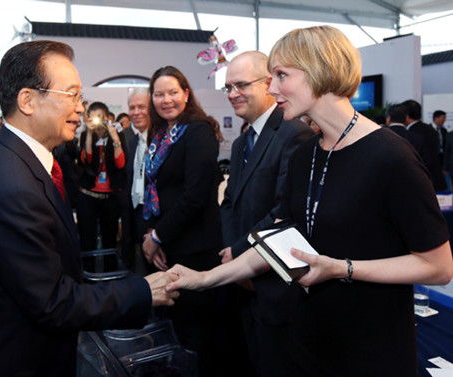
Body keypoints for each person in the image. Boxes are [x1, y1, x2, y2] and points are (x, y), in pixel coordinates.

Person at [166, 25, 453, 377]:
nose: (271, 88)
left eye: (281, 75)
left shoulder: (392, 156)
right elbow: (276, 238)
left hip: (369, 349)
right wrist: (205, 278)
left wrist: (343, 268)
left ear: (320, 70)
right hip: (308, 341)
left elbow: (438, 267)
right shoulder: (306, 154)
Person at [0, 40, 178, 377]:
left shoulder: (19, 163)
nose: (81, 109)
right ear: (27, 100)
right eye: (72, 95)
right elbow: (52, 302)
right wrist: (143, 290)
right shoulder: (12, 185)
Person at [219, 50, 314, 376]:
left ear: (269, 83)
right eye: (228, 87)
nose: (233, 94)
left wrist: (241, 254)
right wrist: (232, 252)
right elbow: (229, 202)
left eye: (241, 84)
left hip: (274, 284)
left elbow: (284, 210)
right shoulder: (241, 141)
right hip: (241, 277)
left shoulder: (295, 134)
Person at [142, 66, 223, 376]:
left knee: (197, 330)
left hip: (195, 247)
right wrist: (152, 234)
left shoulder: (199, 131)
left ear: (186, 94)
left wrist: (157, 236)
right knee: (174, 324)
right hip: (168, 242)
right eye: (159, 94)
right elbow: (155, 189)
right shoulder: (161, 134)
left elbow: (195, 195)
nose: (166, 100)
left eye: (173, 92)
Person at [77, 101, 127, 251]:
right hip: (88, 196)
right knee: (87, 242)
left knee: (110, 242)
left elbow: (120, 164)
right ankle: (87, 273)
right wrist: (89, 135)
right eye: (92, 118)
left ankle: (110, 273)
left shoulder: (117, 135)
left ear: (107, 117)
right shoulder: (86, 134)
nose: (97, 122)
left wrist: (115, 138)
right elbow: (86, 161)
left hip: (110, 198)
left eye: (100, 117)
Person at [120, 88, 151, 272]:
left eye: (141, 107)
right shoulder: (133, 141)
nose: (136, 112)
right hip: (134, 207)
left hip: (154, 213)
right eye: (132, 107)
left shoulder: (162, 139)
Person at [403, 99, 446, 191]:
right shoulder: (431, 129)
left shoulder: (411, 134)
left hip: (422, 182)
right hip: (436, 179)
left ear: (406, 115)